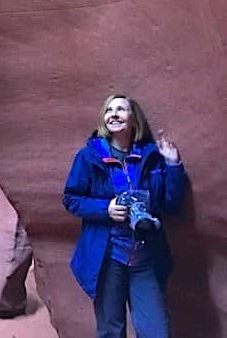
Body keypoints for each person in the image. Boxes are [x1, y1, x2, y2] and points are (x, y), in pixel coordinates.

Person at [63, 94, 185, 338]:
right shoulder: (89, 156)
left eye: (121, 109)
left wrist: (172, 166)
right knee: (111, 331)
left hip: (144, 258)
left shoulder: (151, 156)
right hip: (108, 259)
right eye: (109, 110)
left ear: (133, 119)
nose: (114, 114)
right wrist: (105, 208)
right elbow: (71, 199)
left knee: (156, 332)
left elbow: (170, 205)